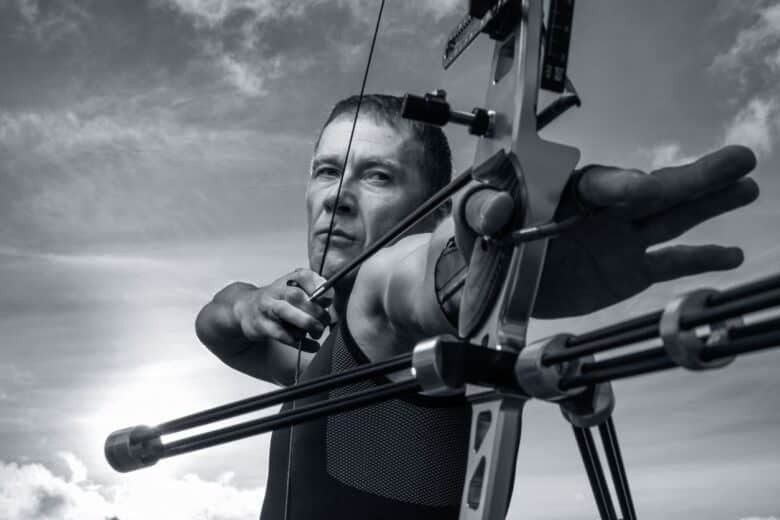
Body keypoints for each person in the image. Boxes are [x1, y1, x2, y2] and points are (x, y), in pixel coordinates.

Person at [195, 94, 759, 519]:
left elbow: (416, 281)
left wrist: (498, 256)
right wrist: (246, 305)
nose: (338, 196)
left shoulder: (388, 316)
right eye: (327, 170)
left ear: (431, 211)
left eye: (378, 176)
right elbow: (218, 328)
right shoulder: (332, 355)